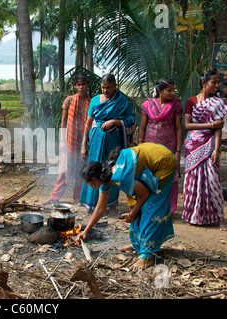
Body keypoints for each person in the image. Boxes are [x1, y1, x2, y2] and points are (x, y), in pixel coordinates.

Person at [76, 143, 176, 270]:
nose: (89, 186)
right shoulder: (105, 176)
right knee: (136, 203)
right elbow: (100, 209)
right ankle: (137, 244)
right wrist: (86, 231)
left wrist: (132, 215)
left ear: (94, 180)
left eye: (88, 184)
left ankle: (148, 256)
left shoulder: (119, 177)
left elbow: (144, 193)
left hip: (164, 161)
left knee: (151, 206)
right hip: (151, 156)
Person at [78, 73, 135, 216]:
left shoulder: (121, 101)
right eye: (103, 87)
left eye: (108, 87)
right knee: (94, 170)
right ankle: (91, 203)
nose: (105, 90)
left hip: (113, 143)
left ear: (115, 86)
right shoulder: (95, 100)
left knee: (112, 170)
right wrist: (84, 145)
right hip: (96, 142)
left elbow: (131, 119)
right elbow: (88, 123)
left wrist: (116, 122)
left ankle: (112, 205)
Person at [183, 69, 227, 231]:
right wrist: (210, 125)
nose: (217, 85)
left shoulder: (218, 103)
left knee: (212, 180)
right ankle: (193, 215)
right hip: (193, 145)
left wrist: (217, 149)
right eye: (214, 82)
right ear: (204, 83)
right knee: (193, 181)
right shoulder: (191, 101)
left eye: (218, 82)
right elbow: (187, 125)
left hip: (210, 144)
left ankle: (219, 217)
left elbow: (219, 129)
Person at [138, 78, 183, 215]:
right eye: (168, 90)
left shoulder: (175, 105)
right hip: (150, 145)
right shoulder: (147, 105)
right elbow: (142, 127)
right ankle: (150, 206)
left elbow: (179, 129)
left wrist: (178, 150)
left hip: (169, 145)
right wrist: (140, 146)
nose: (172, 93)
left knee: (169, 176)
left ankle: (169, 209)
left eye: (172, 90)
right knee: (150, 175)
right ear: (159, 91)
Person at [45, 73, 91, 204]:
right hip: (69, 139)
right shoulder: (69, 100)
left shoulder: (91, 102)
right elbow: (64, 121)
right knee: (64, 168)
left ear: (88, 85)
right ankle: (55, 197)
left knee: (82, 169)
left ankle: (78, 196)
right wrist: (62, 139)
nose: (81, 87)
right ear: (75, 86)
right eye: (78, 84)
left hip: (83, 141)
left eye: (83, 84)